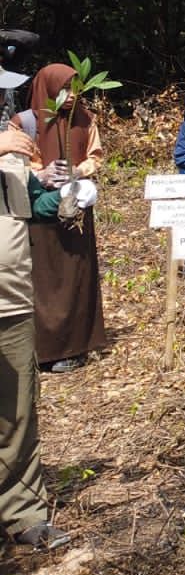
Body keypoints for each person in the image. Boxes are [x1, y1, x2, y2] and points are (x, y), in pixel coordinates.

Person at [0, 130, 72, 550]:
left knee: (18, 413)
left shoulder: (11, 149)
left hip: (12, 300)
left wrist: (62, 198)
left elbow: (28, 206)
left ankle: (23, 512)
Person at [8, 63, 105, 373]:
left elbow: (95, 155)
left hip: (75, 208)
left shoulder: (84, 118)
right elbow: (15, 165)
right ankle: (43, 348)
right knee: (44, 281)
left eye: (76, 88)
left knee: (76, 274)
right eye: (64, 89)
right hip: (39, 214)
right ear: (47, 91)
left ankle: (75, 345)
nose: (72, 96)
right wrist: (42, 174)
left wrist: (79, 172)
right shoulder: (24, 123)